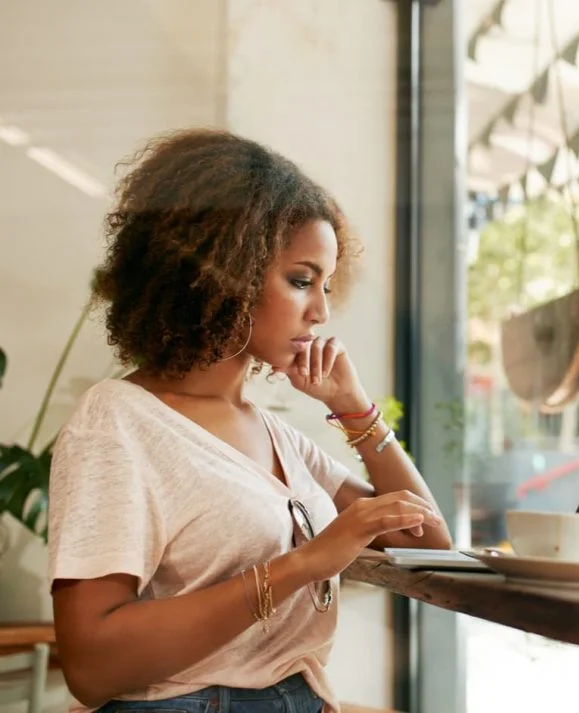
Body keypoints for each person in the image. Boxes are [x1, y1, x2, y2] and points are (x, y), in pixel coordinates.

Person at [47, 128, 452, 713]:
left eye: (328, 285)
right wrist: (306, 563)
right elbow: (92, 666)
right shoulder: (117, 421)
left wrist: (354, 409)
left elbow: (430, 544)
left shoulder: (275, 435)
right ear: (222, 273)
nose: (322, 310)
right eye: (301, 280)